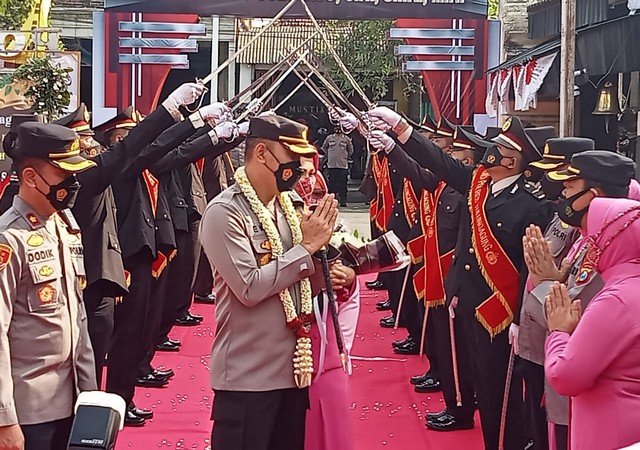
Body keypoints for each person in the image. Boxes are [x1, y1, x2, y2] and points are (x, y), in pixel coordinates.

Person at [368, 108, 555, 449]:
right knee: (482, 381)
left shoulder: (532, 206)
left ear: (513, 163)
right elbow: (438, 163)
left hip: (499, 312)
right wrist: (401, 129)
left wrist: (518, 317)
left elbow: (529, 265)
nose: (490, 151)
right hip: (468, 300)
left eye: (499, 147)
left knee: (500, 391)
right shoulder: (478, 183)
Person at [200, 115, 338, 450]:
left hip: (292, 373)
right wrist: (306, 248)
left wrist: (335, 270)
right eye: (291, 157)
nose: (299, 166)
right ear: (262, 154)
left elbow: (299, 279)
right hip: (248, 379)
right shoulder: (225, 212)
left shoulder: (286, 207)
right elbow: (249, 287)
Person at [523, 149, 638, 450]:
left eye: (570, 186)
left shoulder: (618, 274)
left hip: (604, 419)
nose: (562, 193)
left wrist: (546, 284)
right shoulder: (597, 236)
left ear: (594, 196)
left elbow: (574, 315)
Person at [0, 122, 97, 450]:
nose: (72, 183)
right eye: (63, 174)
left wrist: (90, 391)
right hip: (28, 411)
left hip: (72, 399)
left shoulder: (65, 225)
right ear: (30, 177)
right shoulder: (9, 239)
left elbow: (77, 314)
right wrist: (5, 418)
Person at [513, 137, 594, 450]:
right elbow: (536, 268)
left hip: (559, 338)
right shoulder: (560, 216)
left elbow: (570, 294)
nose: (558, 188)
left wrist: (547, 281)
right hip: (538, 330)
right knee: (536, 409)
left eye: (567, 182)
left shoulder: (588, 233)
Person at [545, 197, 640, 450]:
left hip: (610, 432)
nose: (589, 246)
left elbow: (565, 376)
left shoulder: (617, 299)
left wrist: (558, 332)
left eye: (595, 237)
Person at [322, 126, 353, 207]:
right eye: (336, 128)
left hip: (343, 165)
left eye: (339, 128)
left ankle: (343, 200)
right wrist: (330, 155)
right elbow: (324, 148)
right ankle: (332, 200)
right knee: (332, 184)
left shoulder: (346, 139)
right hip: (332, 165)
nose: (338, 130)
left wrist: (344, 156)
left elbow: (350, 151)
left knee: (343, 184)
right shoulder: (329, 138)